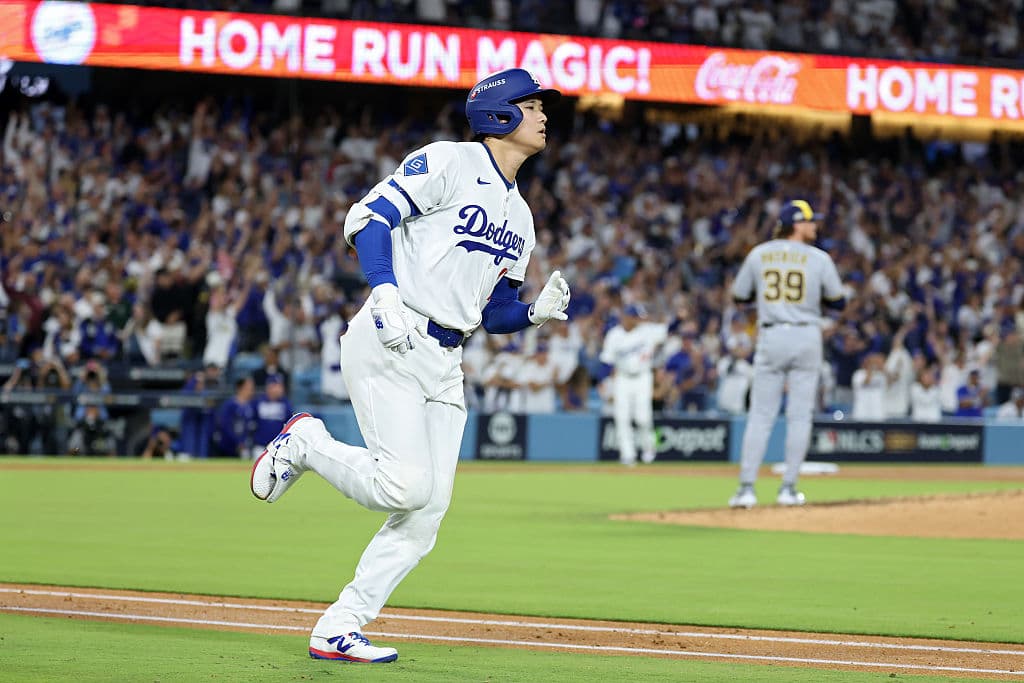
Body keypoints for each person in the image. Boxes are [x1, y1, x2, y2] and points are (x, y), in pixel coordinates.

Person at [248, 69, 570, 664]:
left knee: (427, 513)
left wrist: (532, 316)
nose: (544, 115)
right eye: (531, 105)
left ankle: (340, 625)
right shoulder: (449, 161)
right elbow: (367, 218)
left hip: (447, 359)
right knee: (405, 486)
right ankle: (306, 442)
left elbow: (493, 311)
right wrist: (386, 292)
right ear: (498, 114)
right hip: (392, 334)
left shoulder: (520, 215)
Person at [728, 200, 845, 508]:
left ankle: (746, 489)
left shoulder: (759, 254)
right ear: (796, 223)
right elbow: (838, 301)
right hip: (807, 333)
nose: (815, 226)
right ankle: (788, 489)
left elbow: (740, 295)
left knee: (761, 415)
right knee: (800, 415)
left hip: (772, 333)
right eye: (810, 221)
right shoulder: (819, 258)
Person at [599, 304, 669, 465]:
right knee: (622, 417)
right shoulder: (614, 335)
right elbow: (607, 362)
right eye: (636, 317)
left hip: (643, 376)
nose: (639, 320)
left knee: (643, 417)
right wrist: (602, 380)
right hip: (622, 378)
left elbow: (668, 330)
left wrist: (679, 319)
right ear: (627, 317)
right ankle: (627, 455)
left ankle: (649, 449)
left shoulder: (647, 330)